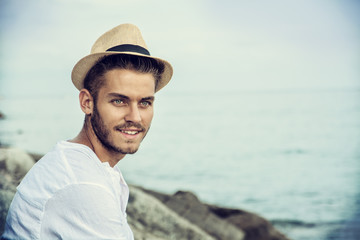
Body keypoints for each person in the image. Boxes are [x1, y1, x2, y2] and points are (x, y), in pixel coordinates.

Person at [2, 23, 173, 239]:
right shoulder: (83, 185)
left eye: (145, 102)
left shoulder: (84, 165)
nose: (135, 117)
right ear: (87, 102)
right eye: (119, 101)